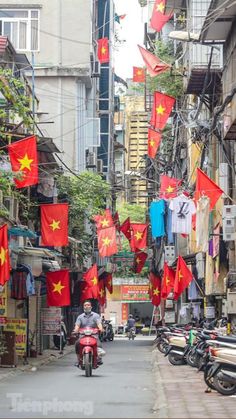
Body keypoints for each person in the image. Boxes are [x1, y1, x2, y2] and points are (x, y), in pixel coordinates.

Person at [73, 300, 103, 366]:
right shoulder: (80, 317)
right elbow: (77, 326)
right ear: (83, 307)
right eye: (85, 305)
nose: (87, 307)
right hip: (83, 335)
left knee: (99, 344)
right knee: (77, 344)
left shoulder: (96, 316)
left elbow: (99, 323)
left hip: (93, 335)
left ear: (91, 307)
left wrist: (101, 328)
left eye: (88, 305)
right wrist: (76, 330)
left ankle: (99, 358)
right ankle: (78, 359)